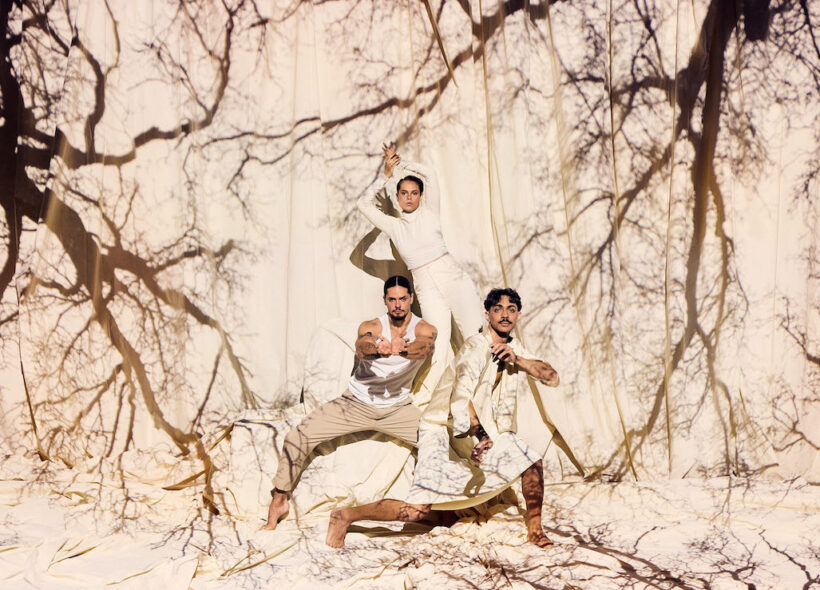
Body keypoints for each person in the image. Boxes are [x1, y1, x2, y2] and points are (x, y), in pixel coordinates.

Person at [325, 288, 584, 548]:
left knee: (532, 462)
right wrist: (481, 436)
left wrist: (517, 359)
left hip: (486, 431)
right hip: (441, 428)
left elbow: (552, 377)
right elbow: (461, 399)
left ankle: (535, 530)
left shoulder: (513, 347)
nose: (505, 315)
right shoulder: (475, 348)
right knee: (417, 512)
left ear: (518, 315)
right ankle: (345, 515)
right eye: (498, 309)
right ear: (487, 314)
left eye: (511, 310)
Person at [262, 275, 437, 530]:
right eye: (392, 299)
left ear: (411, 299)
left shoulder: (424, 328)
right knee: (297, 437)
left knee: (436, 442)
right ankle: (279, 501)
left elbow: (423, 348)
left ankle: (447, 509)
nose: (398, 304)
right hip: (355, 403)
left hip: (397, 409)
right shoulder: (373, 326)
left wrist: (400, 349)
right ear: (385, 301)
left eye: (402, 299)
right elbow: (362, 345)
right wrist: (379, 347)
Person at [356, 144, 484, 379]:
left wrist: (400, 163)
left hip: (453, 277)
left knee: (475, 338)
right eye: (404, 193)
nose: (409, 198)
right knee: (436, 347)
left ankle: (482, 399)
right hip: (425, 287)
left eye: (414, 193)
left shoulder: (430, 211)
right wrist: (387, 175)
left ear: (421, 196)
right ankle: (437, 407)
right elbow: (362, 205)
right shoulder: (394, 226)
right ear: (397, 197)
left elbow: (430, 174)